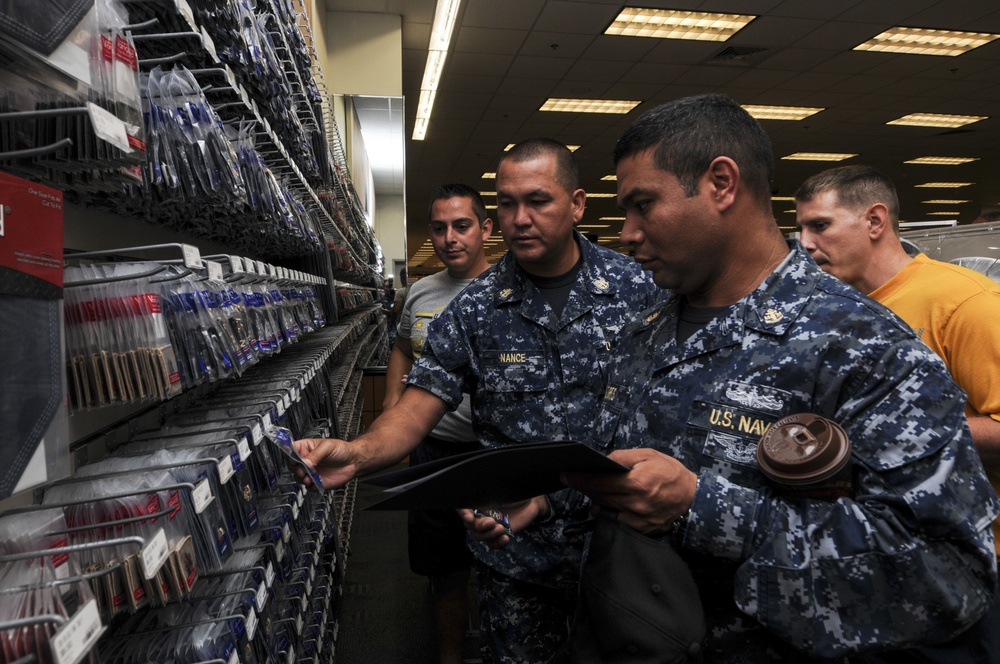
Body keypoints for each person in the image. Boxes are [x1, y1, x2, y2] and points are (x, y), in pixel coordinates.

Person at [480, 94, 996, 661]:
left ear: (722, 184)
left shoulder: (861, 347)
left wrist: (701, 509)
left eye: (643, 205)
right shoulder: (642, 335)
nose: (625, 233)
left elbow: (945, 581)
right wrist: (550, 503)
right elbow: (631, 481)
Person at [293, 138, 660, 662]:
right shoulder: (477, 308)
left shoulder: (637, 289)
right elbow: (416, 409)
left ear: (577, 204)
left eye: (538, 201)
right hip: (516, 558)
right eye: (507, 204)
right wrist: (358, 453)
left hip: (620, 546)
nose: (520, 218)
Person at [794, 164, 1000, 661]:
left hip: (973, 564)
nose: (804, 243)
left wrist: (884, 435)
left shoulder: (963, 302)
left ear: (875, 221)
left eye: (819, 226)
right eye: (799, 229)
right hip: (877, 558)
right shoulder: (833, 310)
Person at [383, 184, 494, 664]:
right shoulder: (421, 292)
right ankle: (450, 651)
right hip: (435, 449)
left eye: (462, 226)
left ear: (485, 230)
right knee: (442, 564)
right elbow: (403, 346)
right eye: (440, 228)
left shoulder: (508, 289)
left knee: (500, 560)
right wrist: (392, 401)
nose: (450, 238)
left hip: (492, 454)